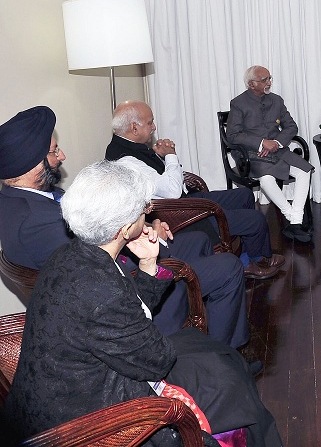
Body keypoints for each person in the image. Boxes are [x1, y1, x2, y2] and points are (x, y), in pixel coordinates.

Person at [2, 160, 283, 447]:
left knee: (211, 351)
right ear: (124, 228)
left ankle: (235, 369)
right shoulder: (100, 285)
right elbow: (157, 360)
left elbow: (128, 310)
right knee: (231, 389)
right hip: (91, 421)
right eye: (144, 210)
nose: (149, 214)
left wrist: (149, 264)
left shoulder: (73, 254)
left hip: (87, 379)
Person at [0, 106, 249, 350]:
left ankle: (198, 335)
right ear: (31, 164)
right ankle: (223, 353)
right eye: (54, 152)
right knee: (229, 267)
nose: (62, 156)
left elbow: (95, 232)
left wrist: (143, 226)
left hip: (116, 266)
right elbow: (105, 268)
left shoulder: (23, 201)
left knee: (198, 240)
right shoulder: (38, 222)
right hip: (128, 296)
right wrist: (142, 238)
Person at [105, 100, 284, 280]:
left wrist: (160, 158)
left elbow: (161, 180)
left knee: (244, 195)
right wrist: (170, 155)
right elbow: (173, 191)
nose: (154, 127)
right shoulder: (126, 162)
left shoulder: (130, 146)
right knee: (255, 220)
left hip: (184, 200)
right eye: (150, 122)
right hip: (180, 214)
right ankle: (254, 262)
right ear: (134, 128)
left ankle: (251, 254)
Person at [227, 65, 314, 243]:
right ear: (251, 84)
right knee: (266, 178)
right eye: (264, 80)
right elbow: (233, 135)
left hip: (278, 149)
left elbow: (291, 126)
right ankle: (291, 217)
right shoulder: (238, 103)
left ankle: (295, 221)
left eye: (270, 78)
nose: (269, 83)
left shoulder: (277, 100)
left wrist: (276, 142)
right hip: (251, 154)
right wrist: (260, 142)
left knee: (305, 170)